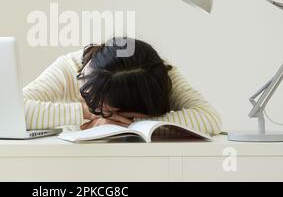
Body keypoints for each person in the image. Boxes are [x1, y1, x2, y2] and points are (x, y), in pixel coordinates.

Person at [23, 37, 222, 135]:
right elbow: (12, 112)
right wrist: (88, 113)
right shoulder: (73, 65)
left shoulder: (159, 75)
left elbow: (209, 119)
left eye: (93, 100)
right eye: (84, 77)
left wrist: (132, 124)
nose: (80, 81)